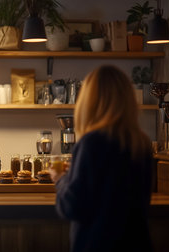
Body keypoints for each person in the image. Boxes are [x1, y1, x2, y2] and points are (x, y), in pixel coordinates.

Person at [49, 65, 153, 252]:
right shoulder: (141, 142)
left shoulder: (92, 142)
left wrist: (60, 178)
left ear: (89, 101)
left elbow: (72, 206)